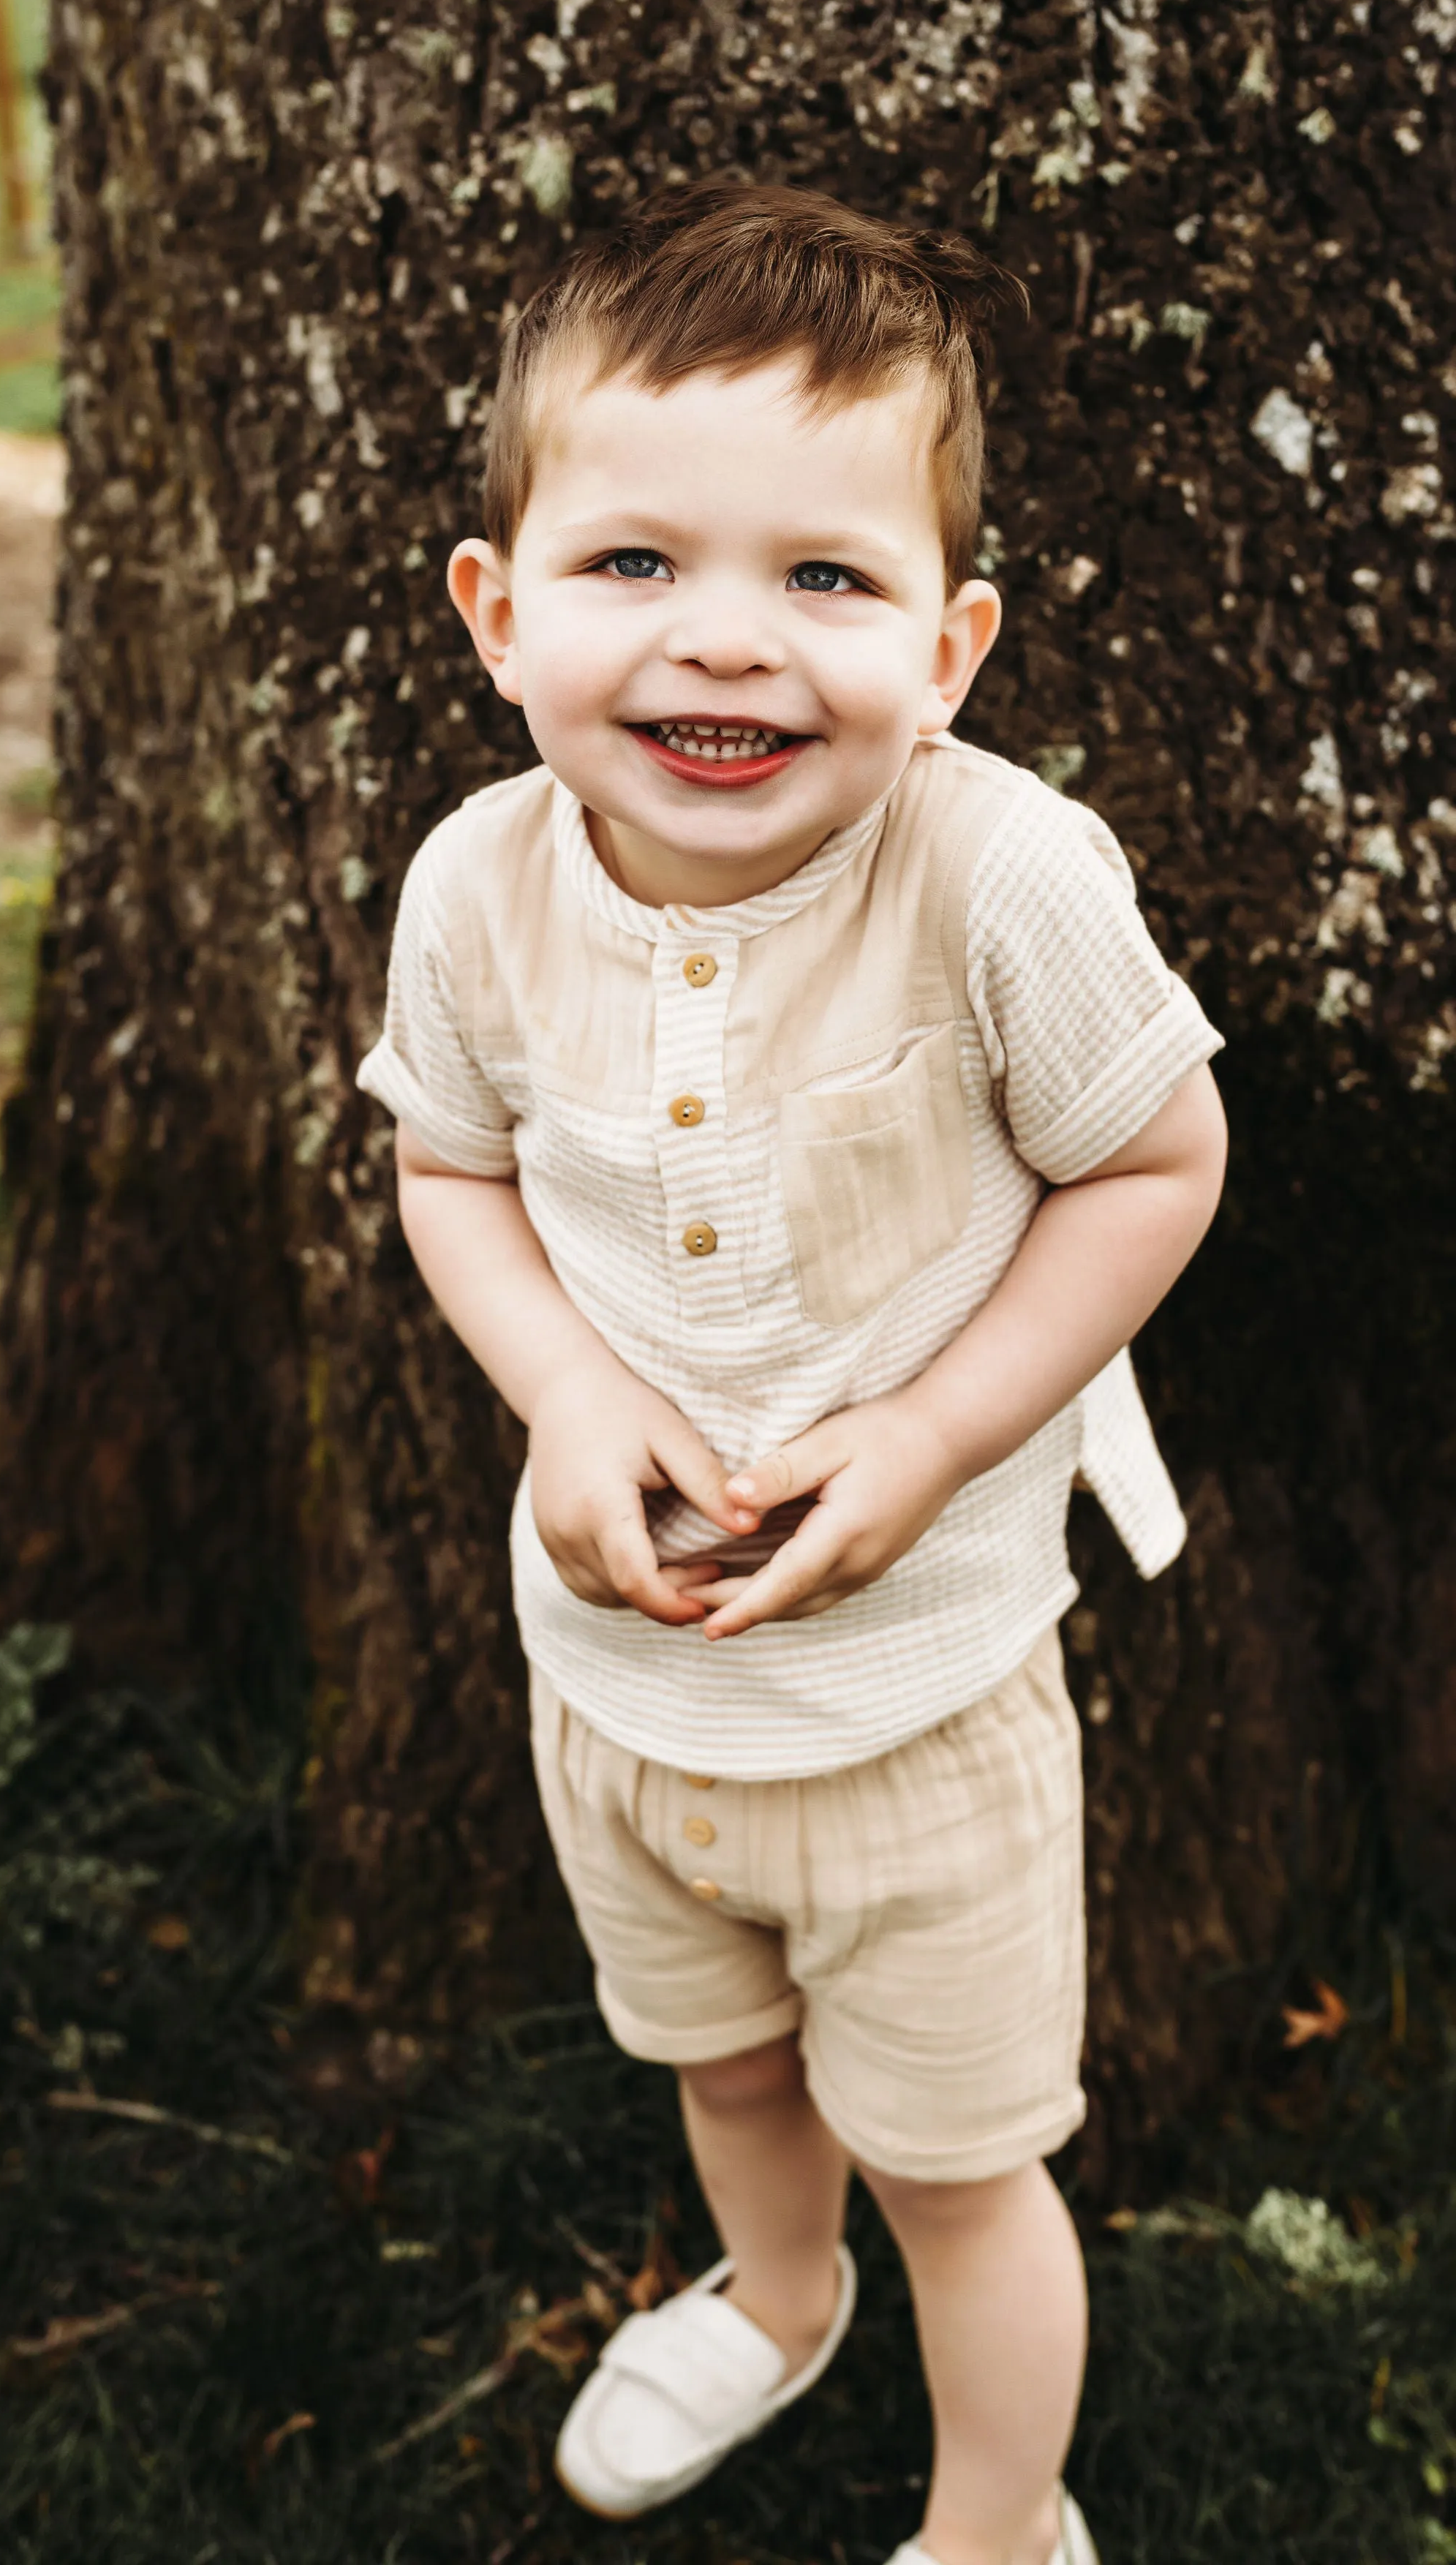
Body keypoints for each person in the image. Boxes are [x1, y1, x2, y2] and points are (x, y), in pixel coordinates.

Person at [355, 179, 1227, 2565]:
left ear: (947, 645)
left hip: (921, 1710)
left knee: (967, 2167)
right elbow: (451, 1178)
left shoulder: (1001, 878)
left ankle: (993, 2523)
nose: (723, 648)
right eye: (636, 564)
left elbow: (1155, 1165)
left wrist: (939, 1435)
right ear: (496, 605)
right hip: (615, 1685)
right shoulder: (475, 887)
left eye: (822, 582)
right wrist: (564, 1394)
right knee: (723, 2065)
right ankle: (768, 2291)